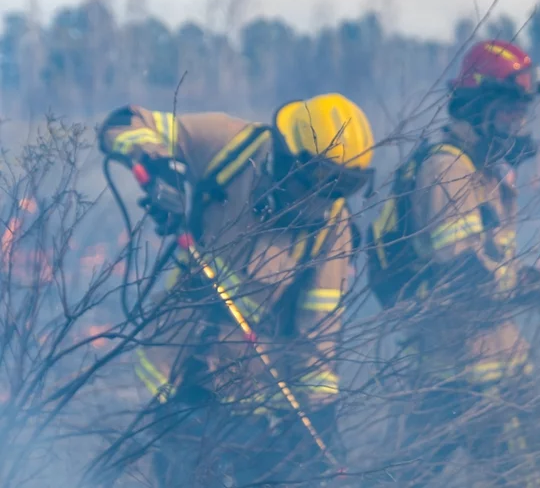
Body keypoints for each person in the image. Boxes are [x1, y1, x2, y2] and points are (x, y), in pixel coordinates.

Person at [97, 93, 374, 486]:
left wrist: (320, 419)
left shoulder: (332, 229)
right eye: (314, 185)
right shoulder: (233, 146)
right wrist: (159, 169)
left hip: (252, 401)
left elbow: (318, 336)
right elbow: (123, 121)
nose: (320, 204)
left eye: (337, 191)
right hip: (175, 368)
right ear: (284, 157)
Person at [365, 39, 540, 487]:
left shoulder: (485, 171)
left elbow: (491, 265)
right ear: (479, 106)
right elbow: (466, 274)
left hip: (485, 365)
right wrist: (523, 287)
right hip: (463, 373)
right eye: (508, 112)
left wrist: (539, 292)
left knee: (406, 476)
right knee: (532, 478)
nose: (517, 124)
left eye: (521, 113)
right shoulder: (446, 170)